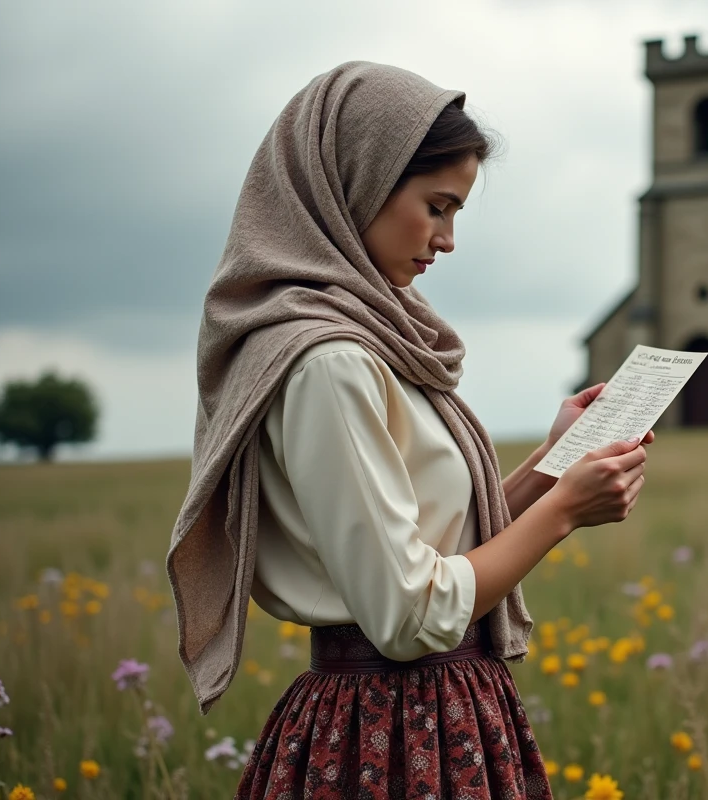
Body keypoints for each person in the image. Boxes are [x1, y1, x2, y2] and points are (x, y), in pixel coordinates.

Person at [164, 61, 653, 799]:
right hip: (387, 730)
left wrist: (555, 463)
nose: (447, 239)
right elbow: (408, 614)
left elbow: (430, 543)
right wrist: (562, 513)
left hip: (440, 713)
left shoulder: (372, 344)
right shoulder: (329, 362)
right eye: (436, 205)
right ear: (358, 180)